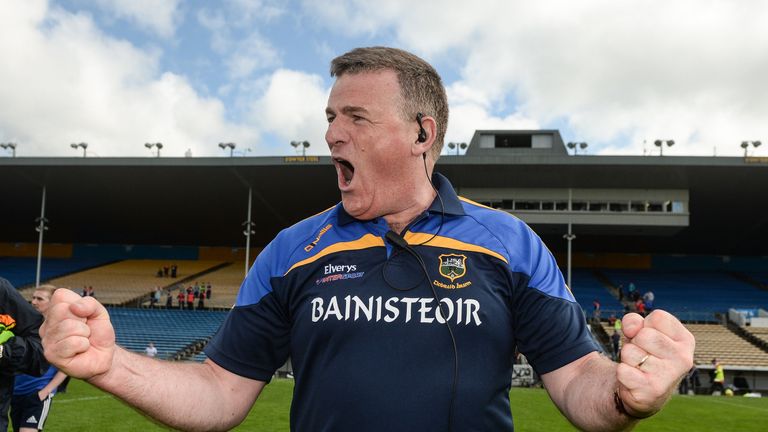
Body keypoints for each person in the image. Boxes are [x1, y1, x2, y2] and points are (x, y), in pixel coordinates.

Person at [40, 47, 695, 431]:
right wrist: (108, 364)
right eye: (330, 118)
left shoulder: (510, 244)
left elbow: (578, 376)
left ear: (421, 133)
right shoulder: (292, 250)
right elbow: (218, 391)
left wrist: (624, 393)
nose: (331, 134)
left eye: (355, 117)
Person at [11, 285, 68, 432]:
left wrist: (45, 392)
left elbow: (66, 367)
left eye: (39, 299)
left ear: (52, 303)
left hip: (37, 393)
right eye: (33, 298)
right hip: (16, 393)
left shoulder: (59, 332)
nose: (34, 302)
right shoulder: (24, 327)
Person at [0, 277, 48, 432]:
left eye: (39, 298)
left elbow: (40, 350)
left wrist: (4, 351)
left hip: (32, 392)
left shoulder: (2, 292)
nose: (34, 302)